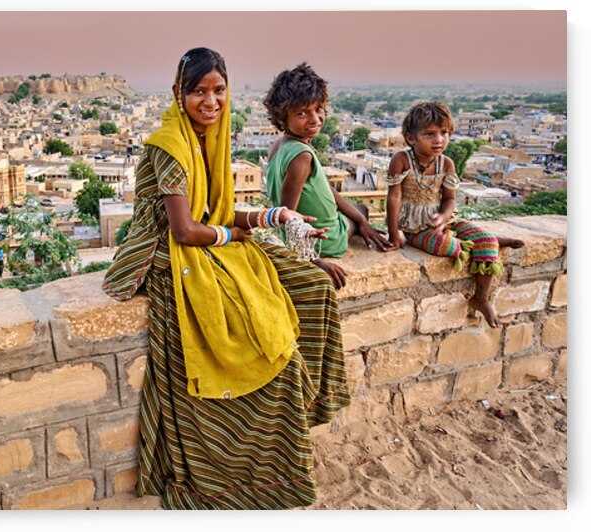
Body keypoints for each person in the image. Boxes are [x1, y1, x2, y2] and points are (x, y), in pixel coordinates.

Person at [102, 48, 350, 510]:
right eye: (198, 90)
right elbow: (185, 229)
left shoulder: (208, 139)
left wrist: (273, 215)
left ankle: (308, 411)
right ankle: (239, 471)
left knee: (314, 288)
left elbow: (212, 212)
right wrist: (235, 233)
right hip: (173, 256)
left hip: (209, 243)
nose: (210, 101)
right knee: (268, 351)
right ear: (179, 93)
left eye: (218, 90)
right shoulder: (171, 145)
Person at [385, 100, 524, 328]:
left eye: (444, 133)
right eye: (429, 134)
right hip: (413, 227)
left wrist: (443, 217)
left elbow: (449, 200)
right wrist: (394, 234)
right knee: (447, 247)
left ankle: (481, 296)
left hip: (443, 219)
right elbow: (394, 197)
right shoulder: (401, 160)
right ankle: (472, 242)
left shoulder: (446, 164)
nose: (439, 140)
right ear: (411, 138)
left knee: (487, 242)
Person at [263, 63, 393, 290]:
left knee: (360, 214)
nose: (315, 119)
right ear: (282, 118)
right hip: (323, 238)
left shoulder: (280, 145)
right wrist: (314, 260)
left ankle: (359, 223)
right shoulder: (302, 155)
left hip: (315, 229)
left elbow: (324, 189)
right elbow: (288, 216)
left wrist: (361, 220)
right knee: (361, 211)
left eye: (318, 109)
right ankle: (354, 228)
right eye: (302, 113)